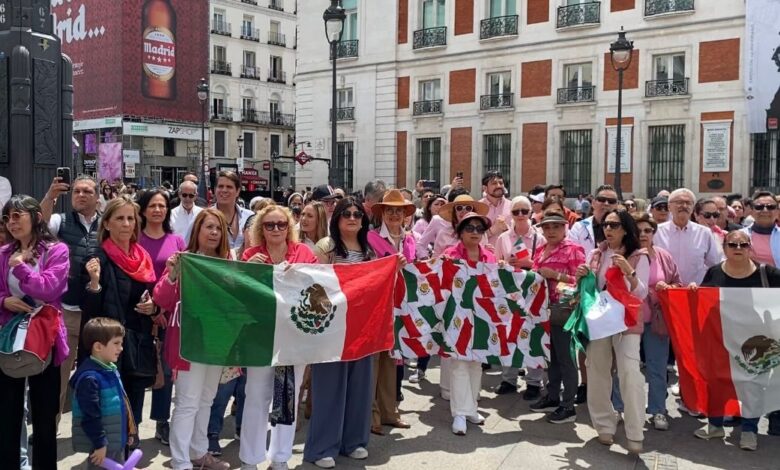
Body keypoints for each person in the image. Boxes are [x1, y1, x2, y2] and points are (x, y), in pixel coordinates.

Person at [153, 209, 232, 470]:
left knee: (206, 399)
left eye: (218, 228)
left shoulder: (228, 264)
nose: (214, 233)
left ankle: (198, 452)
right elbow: (161, 299)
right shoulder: (183, 260)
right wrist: (172, 274)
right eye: (209, 227)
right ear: (197, 230)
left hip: (216, 343)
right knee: (187, 401)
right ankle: (180, 460)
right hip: (189, 343)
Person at [239, 205, 317, 469]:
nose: (275, 229)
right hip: (259, 335)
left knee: (287, 397)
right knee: (256, 396)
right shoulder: (250, 255)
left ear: (289, 227)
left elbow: (319, 286)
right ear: (261, 229)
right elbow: (241, 293)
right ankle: (250, 458)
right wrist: (246, 270)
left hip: (294, 336)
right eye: (269, 225)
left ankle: (281, 457)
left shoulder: (303, 253)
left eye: (281, 224)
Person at [691, 230, 780, 451]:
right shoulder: (714, 272)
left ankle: (749, 431)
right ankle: (715, 425)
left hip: (755, 340)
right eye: (732, 244)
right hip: (721, 337)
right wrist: (691, 291)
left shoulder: (768, 273)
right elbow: (703, 299)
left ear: (750, 247)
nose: (738, 248)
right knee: (717, 382)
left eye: (743, 244)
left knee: (753, 385)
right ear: (724, 248)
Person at [0, 195, 70, 469]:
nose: (12, 222)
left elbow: (48, 289)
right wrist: (4, 301)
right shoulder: (3, 253)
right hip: (9, 339)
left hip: (45, 339)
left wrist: (20, 267)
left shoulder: (56, 250)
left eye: (18, 216)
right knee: (8, 414)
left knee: (44, 416)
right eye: (7, 217)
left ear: (36, 217)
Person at [305, 197, 375, 469]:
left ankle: (354, 442)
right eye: (347, 213)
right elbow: (313, 284)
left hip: (362, 328)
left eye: (358, 214)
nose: (353, 218)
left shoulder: (369, 249)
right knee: (329, 388)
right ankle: (322, 447)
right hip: (331, 327)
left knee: (360, 386)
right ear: (337, 218)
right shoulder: (326, 247)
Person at [575, 209, 650, 454]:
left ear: (626, 229)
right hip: (600, 322)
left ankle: (635, 432)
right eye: (606, 224)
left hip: (627, 322)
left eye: (614, 225)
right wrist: (581, 276)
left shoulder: (639, 256)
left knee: (630, 373)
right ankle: (604, 425)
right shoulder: (596, 254)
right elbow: (589, 290)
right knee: (597, 371)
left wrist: (629, 271)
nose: (608, 229)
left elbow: (641, 294)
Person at [82, 196, 158, 435]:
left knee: (134, 408)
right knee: (111, 411)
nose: (126, 224)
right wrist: (94, 283)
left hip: (137, 343)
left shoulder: (142, 257)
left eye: (130, 219)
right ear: (106, 224)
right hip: (108, 346)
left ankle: (130, 447)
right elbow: (90, 311)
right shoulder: (97, 257)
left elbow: (151, 295)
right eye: (120, 219)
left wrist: (153, 307)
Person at [41, 174, 102, 421]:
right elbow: (40, 224)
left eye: (87, 191)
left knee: (93, 376)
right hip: (65, 311)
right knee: (59, 375)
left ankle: (89, 429)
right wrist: (50, 196)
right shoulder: (61, 220)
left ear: (97, 197)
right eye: (76, 191)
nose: (80, 195)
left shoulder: (107, 224)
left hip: (95, 314)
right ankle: (50, 427)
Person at [137, 189, 187, 446]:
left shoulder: (177, 241)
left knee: (165, 372)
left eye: (162, 206)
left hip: (169, 315)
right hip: (139, 311)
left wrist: (162, 310)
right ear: (143, 210)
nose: (158, 210)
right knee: (136, 371)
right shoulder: (134, 239)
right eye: (152, 206)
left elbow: (183, 277)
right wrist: (151, 308)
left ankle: (161, 420)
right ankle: (132, 425)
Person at [528, 211, 585, 424]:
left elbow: (581, 282)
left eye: (556, 226)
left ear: (564, 228)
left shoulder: (573, 249)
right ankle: (552, 396)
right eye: (547, 227)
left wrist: (556, 275)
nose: (551, 231)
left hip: (564, 310)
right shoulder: (540, 249)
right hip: (542, 309)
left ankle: (568, 405)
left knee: (566, 359)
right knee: (550, 356)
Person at [366, 190, 415, 436]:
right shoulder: (371, 237)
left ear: (406, 214)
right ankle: (371, 414)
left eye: (399, 210)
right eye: (390, 210)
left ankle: (389, 411)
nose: (395, 215)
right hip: (378, 305)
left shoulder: (410, 239)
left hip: (401, 305)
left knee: (392, 359)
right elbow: (369, 271)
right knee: (375, 360)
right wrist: (391, 267)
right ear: (382, 214)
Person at [442, 212, 495, 435]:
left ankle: (471, 407)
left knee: (476, 363)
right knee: (459, 363)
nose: (475, 232)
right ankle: (460, 413)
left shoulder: (489, 256)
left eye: (479, 229)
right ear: (460, 232)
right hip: (457, 315)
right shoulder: (450, 254)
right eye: (470, 228)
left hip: (482, 316)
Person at [629, 213, 682, 431]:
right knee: (626, 366)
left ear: (654, 233)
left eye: (648, 230)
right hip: (629, 320)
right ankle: (619, 407)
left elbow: (678, 283)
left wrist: (667, 288)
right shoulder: (626, 254)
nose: (643, 234)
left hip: (656, 320)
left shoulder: (663, 256)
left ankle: (658, 409)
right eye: (638, 230)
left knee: (657, 367)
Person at [493, 196, 546, 398]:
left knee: (534, 335)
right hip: (509, 292)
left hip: (533, 292)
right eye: (516, 212)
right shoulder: (503, 238)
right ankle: (509, 379)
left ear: (531, 212)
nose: (521, 215)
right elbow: (496, 264)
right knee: (509, 334)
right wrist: (503, 264)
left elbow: (544, 266)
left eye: (525, 211)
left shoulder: (540, 238)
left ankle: (534, 382)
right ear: (511, 214)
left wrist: (527, 264)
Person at [70, 317, 136, 469]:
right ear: (98, 347)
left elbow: (120, 405)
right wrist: (100, 444)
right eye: (116, 343)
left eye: (121, 343)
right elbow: (90, 416)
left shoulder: (109, 369)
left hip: (115, 442)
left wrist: (127, 432)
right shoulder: (90, 379)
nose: (121, 348)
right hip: (102, 447)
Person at [415, 188, 470, 258]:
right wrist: (426, 259)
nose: (463, 211)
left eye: (468, 208)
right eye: (459, 208)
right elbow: (421, 245)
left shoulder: (477, 228)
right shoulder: (438, 221)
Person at [213, 171, 254, 250]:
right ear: (215, 190)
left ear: (237, 191)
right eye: (220, 186)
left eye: (229, 187)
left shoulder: (250, 217)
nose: (224, 190)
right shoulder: (205, 217)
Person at [742, 191, 780, 267]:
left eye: (770, 207)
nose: (765, 210)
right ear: (752, 211)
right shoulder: (740, 235)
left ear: (777, 211)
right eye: (759, 207)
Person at [479, 170, 511, 245]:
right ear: (485, 188)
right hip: (485, 252)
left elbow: (520, 235)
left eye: (501, 183)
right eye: (494, 183)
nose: (498, 186)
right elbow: (472, 237)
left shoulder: (512, 206)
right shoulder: (478, 208)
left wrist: (507, 229)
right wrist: (492, 231)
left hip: (508, 252)